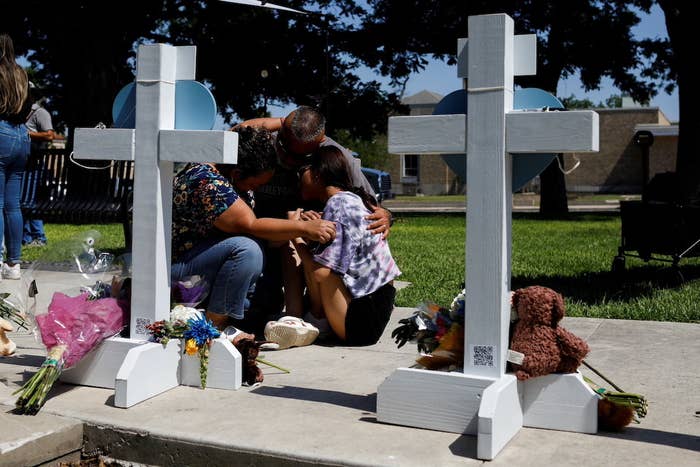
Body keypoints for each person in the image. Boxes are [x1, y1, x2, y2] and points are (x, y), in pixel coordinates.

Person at [170, 126, 336, 331]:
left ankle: (236, 316)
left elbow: (267, 236)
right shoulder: (207, 182)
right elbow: (252, 225)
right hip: (178, 268)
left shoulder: (232, 177)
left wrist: (297, 226)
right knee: (246, 249)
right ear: (238, 172)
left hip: (207, 265)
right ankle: (213, 328)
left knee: (269, 297)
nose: (254, 190)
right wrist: (303, 227)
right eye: (255, 185)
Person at [235, 106, 393, 318]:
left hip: (309, 240)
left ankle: (298, 314)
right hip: (261, 235)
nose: (289, 161)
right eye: (285, 148)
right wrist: (281, 122)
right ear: (280, 133)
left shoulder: (334, 156)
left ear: (320, 144)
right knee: (260, 306)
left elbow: (369, 204)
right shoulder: (265, 140)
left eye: (301, 158)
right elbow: (234, 133)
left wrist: (386, 216)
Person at [278, 145, 401, 346]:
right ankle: (308, 318)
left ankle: (311, 320)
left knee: (304, 256)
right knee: (314, 257)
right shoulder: (352, 199)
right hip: (373, 310)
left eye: (305, 169)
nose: (300, 175)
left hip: (360, 325)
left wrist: (296, 231)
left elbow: (323, 274)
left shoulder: (339, 204)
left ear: (318, 174)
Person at [0, 33, 30, 281]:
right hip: (22, 134)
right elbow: (28, 106)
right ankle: (14, 264)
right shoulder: (20, 72)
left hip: (1, 133)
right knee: (13, 205)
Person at [23, 82, 61, 247]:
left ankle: (39, 237)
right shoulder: (17, 113)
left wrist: (27, 134)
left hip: (33, 163)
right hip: (20, 162)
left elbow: (50, 135)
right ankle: (26, 238)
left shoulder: (40, 113)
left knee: (29, 201)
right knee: (20, 201)